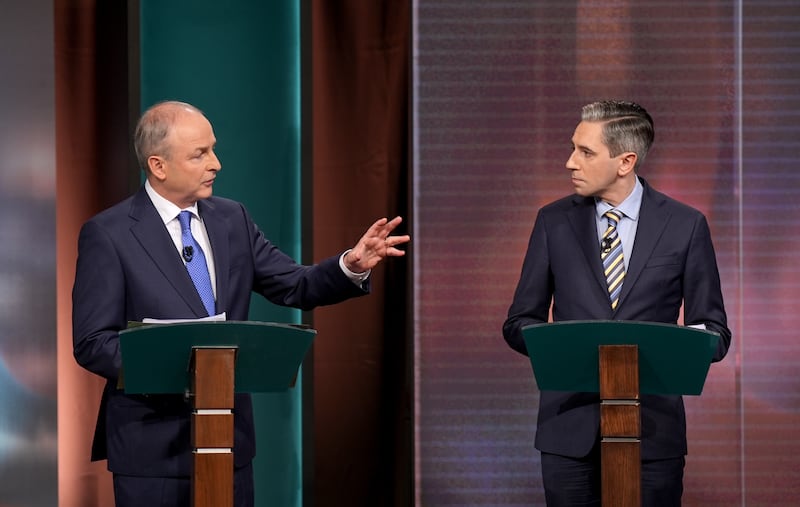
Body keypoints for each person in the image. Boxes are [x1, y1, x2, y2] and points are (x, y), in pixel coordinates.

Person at [72, 100, 410, 507]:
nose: (216, 163)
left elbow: (295, 286)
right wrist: (172, 366)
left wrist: (349, 266)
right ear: (158, 166)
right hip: (151, 451)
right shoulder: (108, 234)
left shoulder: (232, 219)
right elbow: (93, 341)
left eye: (213, 149)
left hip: (228, 444)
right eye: (200, 154)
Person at [502, 100, 731, 506]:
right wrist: (563, 347)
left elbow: (714, 331)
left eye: (585, 152)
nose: (570, 162)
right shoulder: (552, 222)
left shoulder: (686, 224)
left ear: (625, 161)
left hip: (653, 435)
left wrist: (677, 349)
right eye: (573, 147)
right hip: (568, 433)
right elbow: (520, 321)